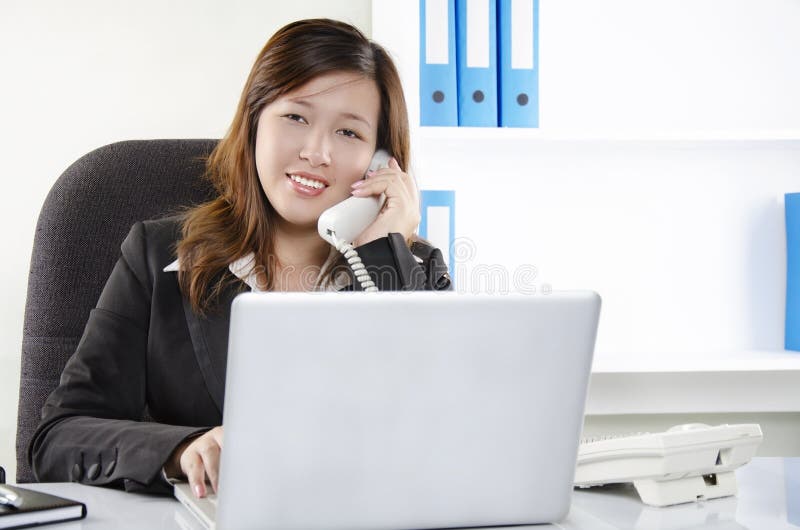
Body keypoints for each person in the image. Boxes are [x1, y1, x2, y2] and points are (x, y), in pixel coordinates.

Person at [28, 18, 451, 497]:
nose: (317, 152)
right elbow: (58, 439)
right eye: (296, 117)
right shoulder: (158, 257)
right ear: (253, 123)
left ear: (382, 162)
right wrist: (182, 450)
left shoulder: (414, 271)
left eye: (349, 133)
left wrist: (381, 258)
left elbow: (440, 444)